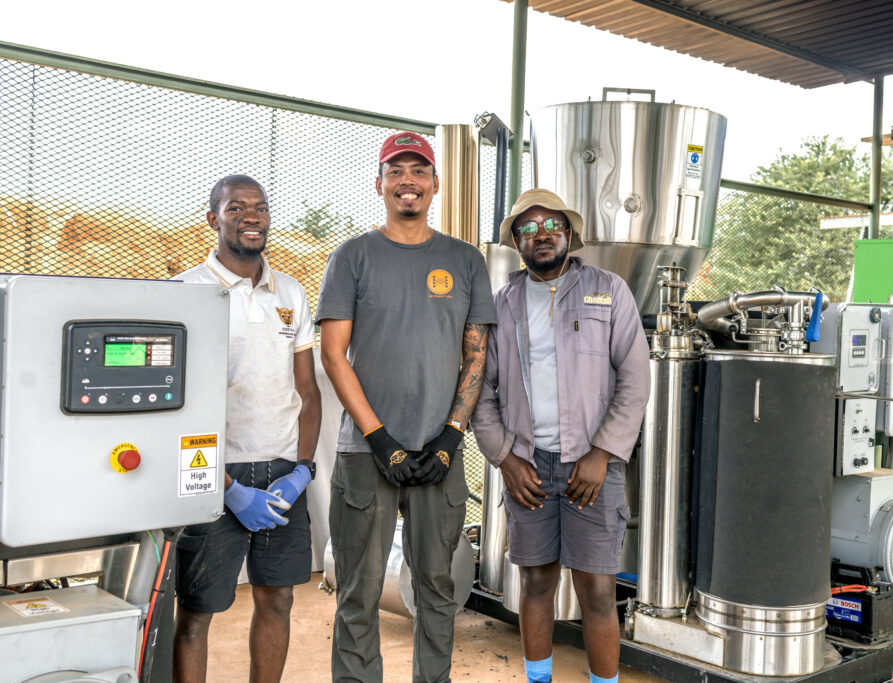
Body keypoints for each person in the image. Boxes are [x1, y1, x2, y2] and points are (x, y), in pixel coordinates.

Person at [316, 131, 497, 683]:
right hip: (364, 453)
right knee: (358, 591)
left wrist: (449, 437)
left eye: (418, 171)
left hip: (438, 455)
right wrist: (379, 439)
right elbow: (333, 354)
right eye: (396, 171)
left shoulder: (465, 260)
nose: (407, 181)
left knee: (438, 590)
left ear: (435, 184)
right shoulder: (353, 255)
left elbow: (476, 356)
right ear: (379, 184)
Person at [471, 188, 650, 683]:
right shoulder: (501, 305)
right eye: (527, 229)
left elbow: (635, 379)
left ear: (568, 233)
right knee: (536, 583)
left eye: (551, 225)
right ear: (516, 243)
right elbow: (481, 394)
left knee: (596, 589)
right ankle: (539, 679)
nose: (541, 234)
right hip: (528, 466)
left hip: (592, 467)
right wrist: (505, 458)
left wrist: (602, 453)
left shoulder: (608, 290)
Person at [172, 174, 322, 683]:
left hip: (280, 471)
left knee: (277, 598)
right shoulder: (187, 292)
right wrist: (227, 487)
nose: (252, 216)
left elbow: (308, 391)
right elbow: (176, 408)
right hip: (213, 472)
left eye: (260, 207)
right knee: (198, 610)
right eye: (236, 208)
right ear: (213, 218)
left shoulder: (291, 292)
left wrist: (302, 470)